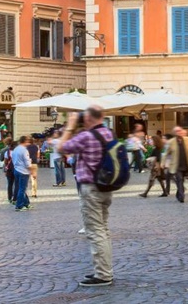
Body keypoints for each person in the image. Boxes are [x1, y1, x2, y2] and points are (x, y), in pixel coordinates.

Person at [56, 106, 116, 287]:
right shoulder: (108, 133)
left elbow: (61, 148)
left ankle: (104, 274)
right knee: (103, 229)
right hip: (106, 186)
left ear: (88, 118)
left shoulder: (86, 136)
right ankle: (105, 270)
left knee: (95, 231)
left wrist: (70, 126)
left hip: (91, 189)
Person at [167, 126, 188, 203]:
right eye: (177, 131)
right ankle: (181, 196)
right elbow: (165, 153)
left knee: (182, 180)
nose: (179, 132)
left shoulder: (187, 139)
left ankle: (178, 194)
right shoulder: (171, 142)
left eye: (180, 130)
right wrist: (163, 163)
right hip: (176, 165)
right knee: (179, 179)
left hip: (186, 164)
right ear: (174, 133)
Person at [139, 134, 169, 198]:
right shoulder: (157, 148)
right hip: (157, 167)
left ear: (155, 141)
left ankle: (145, 193)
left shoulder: (156, 149)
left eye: (152, 141)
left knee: (151, 180)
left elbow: (157, 158)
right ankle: (165, 192)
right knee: (160, 179)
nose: (151, 142)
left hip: (156, 167)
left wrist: (151, 160)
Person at [11, 136, 33, 211]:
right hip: (23, 171)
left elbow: (13, 159)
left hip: (16, 169)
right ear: (24, 141)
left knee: (21, 187)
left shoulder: (15, 149)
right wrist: (32, 170)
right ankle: (19, 205)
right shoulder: (24, 150)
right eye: (27, 141)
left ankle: (26, 204)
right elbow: (27, 162)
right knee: (22, 189)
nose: (28, 143)